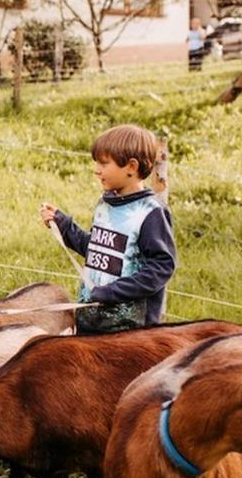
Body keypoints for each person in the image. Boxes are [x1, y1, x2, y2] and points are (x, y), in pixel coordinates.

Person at [39, 124, 176, 334]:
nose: (97, 170)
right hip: (91, 322)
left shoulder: (150, 213)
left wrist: (113, 292)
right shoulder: (106, 204)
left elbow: (161, 267)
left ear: (131, 166)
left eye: (104, 164)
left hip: (130, 332)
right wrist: (63, 225)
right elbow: (97, 249)